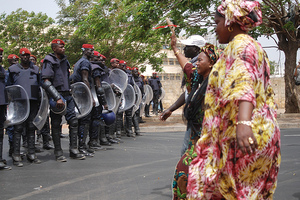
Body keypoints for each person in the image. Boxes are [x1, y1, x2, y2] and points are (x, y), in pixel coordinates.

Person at [187, 1, 281, 199]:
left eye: (217, 22)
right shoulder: (252, 46)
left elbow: (243, 84)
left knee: (230, 191)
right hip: (255, 132)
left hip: (243, 137)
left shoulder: (241, 46)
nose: (216, 28)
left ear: (230, 23)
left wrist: (243, 123)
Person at [172, 43, 220, 200]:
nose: (196, 63)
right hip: (193, 146)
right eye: (196, 61)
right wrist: (175, 49)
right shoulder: (196, 81)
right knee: (182, 178)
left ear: (211, 63)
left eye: (200, 60)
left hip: (210, 149)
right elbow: (187, 66)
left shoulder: (218, 87)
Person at [161, 34, 205, 156]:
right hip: (195, 118)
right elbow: (188, 93)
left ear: (196, 49)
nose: (184, 49)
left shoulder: (201, 68)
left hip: (202, 118)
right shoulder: (198, 64)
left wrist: (175, 49)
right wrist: (170, 109)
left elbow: (188, 69)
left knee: (189, 154)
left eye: (187, 46)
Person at [42, 39, 85, 162]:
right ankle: (58, 152)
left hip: (67, 94)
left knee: (74, 121)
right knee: (56, 124)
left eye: (64, 47)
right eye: (61, 47)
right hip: (57, 95)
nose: (63, 48)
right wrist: (57, 98)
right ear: (54, 48)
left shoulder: (65, 61)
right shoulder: (48, 61)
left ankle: (73, 149)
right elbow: (46, 81)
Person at [7, 48, 42, 166]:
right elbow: (9, 86)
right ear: (20, 57)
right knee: (18, 128)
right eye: (23, 56)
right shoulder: (12, 69)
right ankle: (16, 154)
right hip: (19, 102)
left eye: (27, 55)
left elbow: (40, 85)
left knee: (31, 127)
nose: (25, 58)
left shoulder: (36, 69)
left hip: (32, 101)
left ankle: (31, 153)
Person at [70, 43, 95, 157]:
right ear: (84, 50)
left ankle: (81, 146)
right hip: (83, 95)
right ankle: (81, 146)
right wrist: (90, 97)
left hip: (78, 93)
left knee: (81, 120)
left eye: (92, 50)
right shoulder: (85, 62)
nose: (92, 52)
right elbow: (85, 79)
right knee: (84, 121)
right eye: (90, 50)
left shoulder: (80, 61)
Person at [88, 50, 109, 150]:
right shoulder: (95, 68)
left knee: (89, 121)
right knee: (96, 119)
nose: (100, 60)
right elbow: (99, 87)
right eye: (98, 57)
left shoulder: (87, 66)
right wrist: (104, 102)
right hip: (95, 98)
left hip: (87, 98)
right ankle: (93, 141)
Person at [0, 48, 12, 170]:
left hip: (2, 104)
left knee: (0, 133)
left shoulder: (2, 69)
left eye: (1, 55)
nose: (0, 57)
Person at [132, 67, 144, 136]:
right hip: (132, 98)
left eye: (137, 72)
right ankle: (127, 129)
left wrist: (142, 96)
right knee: (130, 114)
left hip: (138, 98)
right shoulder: (130, 78)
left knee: (137, 114)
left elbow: (142, 88)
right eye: (135, 72)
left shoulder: (139, 79)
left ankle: (137, 130)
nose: (136, 73)